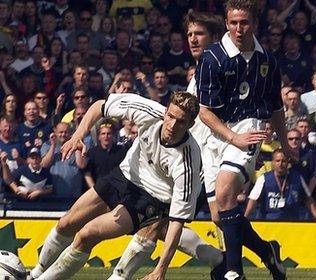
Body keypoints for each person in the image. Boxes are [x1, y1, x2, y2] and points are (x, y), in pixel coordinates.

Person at [32, 91, 202, 280]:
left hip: (153, 197)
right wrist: (78, 135)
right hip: (124, 175)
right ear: (165, 112)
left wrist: (160, 270)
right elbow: (100, 106)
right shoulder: (148, 111)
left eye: (181, 121)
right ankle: (34, 274)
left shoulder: (188, 162)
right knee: (66, 224)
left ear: (190, 125)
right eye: (170, 116)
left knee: (86, 235)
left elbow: (177, 221)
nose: (172, 125)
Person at [109, 10, 227, 280]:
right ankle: (219, 260)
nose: (193, 40)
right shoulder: (200, 73)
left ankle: (121, 278)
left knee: (157, 224)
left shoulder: (218, 71)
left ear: (216, 38)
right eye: (190, 35)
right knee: (160, 226)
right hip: (181, 160)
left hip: (198, 163)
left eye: (199, 34)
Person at [195, 1, 288, 279]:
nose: (239, 28)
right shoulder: (212, 57)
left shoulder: (268, 61)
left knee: (225, 192)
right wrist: (230, 136)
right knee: (219, 215)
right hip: (216, 135)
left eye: (244, 22)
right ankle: (266, 251)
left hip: (249, 128)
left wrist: (284, 143)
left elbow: (275, 108)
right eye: (234, 22)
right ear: (226, 23)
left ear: (254, 24)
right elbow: (204, 111)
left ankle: (234, 272)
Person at [245, 150, 316, 221]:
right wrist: (245, 217)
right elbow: (253, 200)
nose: (280, 164)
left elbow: (308, 199)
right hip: (269, 222)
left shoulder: (298, 178)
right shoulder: (263, 179)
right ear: (272, 163)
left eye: (283, 161)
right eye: (277, 161)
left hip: (292, 222)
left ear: (288, 162)